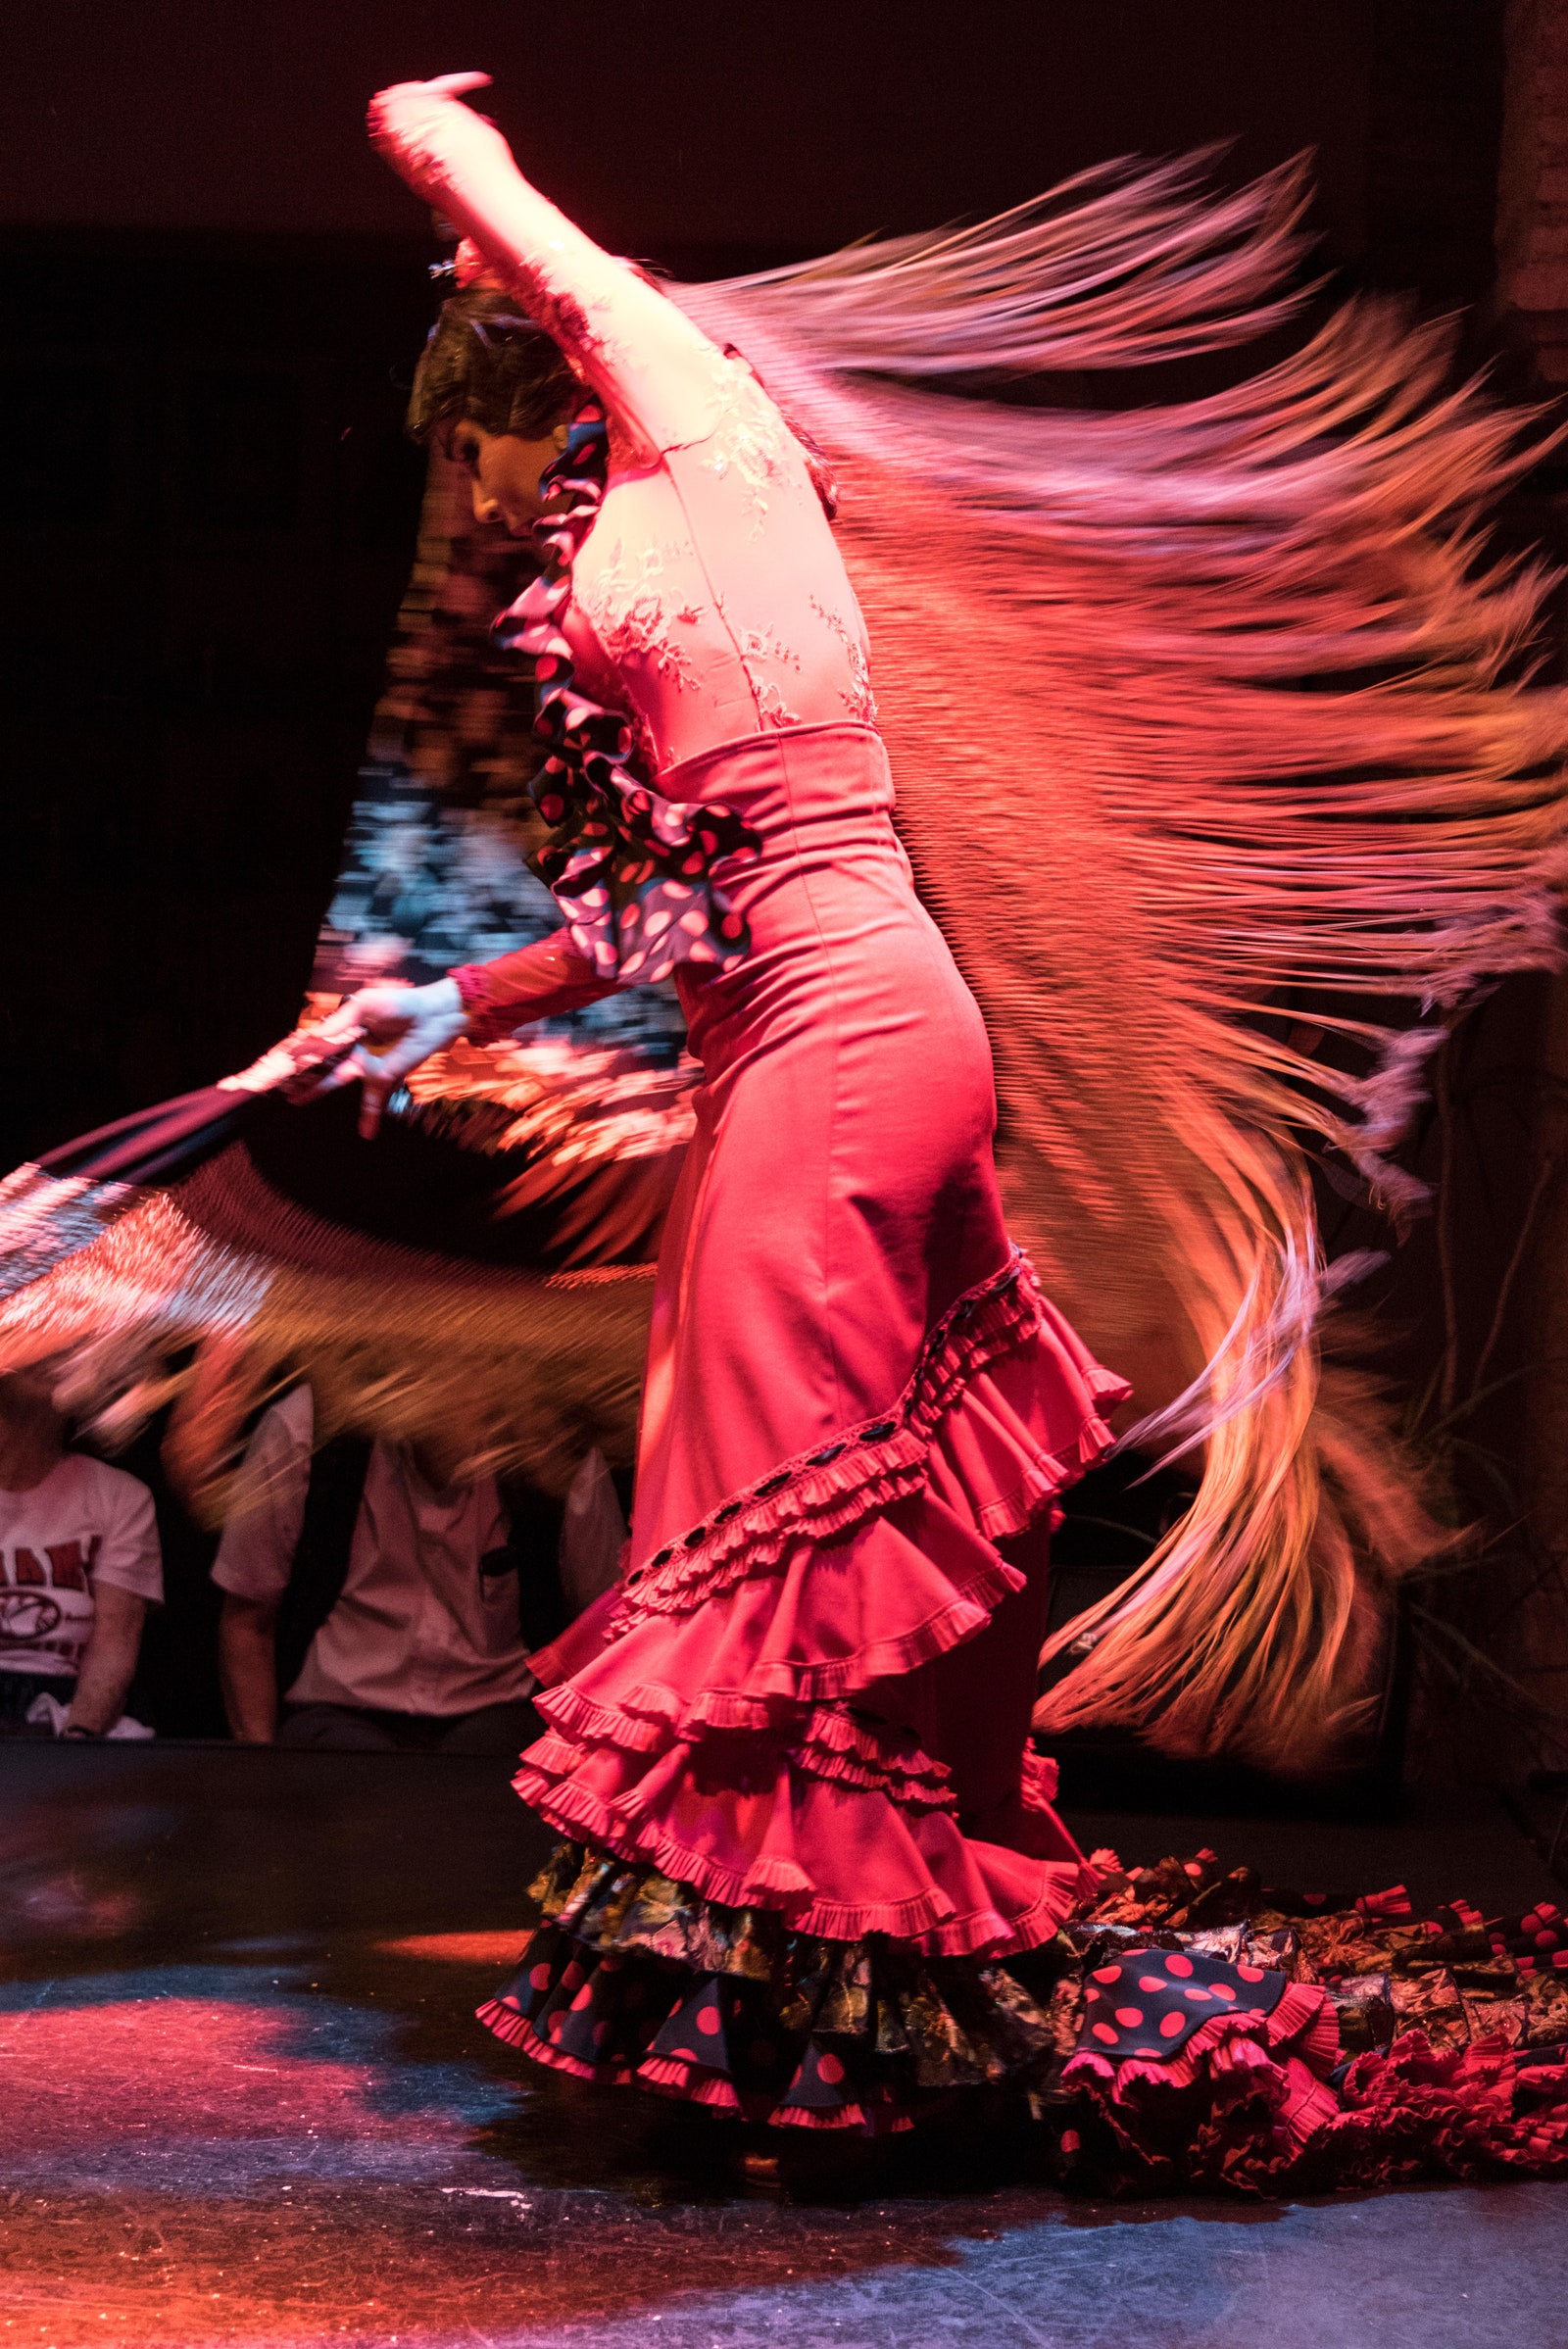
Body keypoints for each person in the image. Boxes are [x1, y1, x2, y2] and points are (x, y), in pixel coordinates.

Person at [296, 73, 1132, 2136]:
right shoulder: (663, 561)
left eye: (483, 424)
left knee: (763, 1510)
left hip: (842, 1030)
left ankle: (802, 2014)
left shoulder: (708, 430)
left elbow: (576, 274)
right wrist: (444, 1004)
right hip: (801, 1016)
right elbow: (672, 903)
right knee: (770, 1491)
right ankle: (861, 1990)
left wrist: (428, 141)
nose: (482, 486)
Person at [213, 1382, 626, 1751]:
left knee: (491, 1769)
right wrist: (259, 1774)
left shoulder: (552, 1452)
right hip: (338, 1713)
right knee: (352, 1778)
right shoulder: (308, 1429)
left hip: (497, 1713)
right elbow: (249, 1620)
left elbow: (606, 1627)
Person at [0, 1367, 160, 1739]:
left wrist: (77, 1740)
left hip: (63, 1712)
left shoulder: (120, 1497)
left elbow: (113, 1647)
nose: (53, 1358)